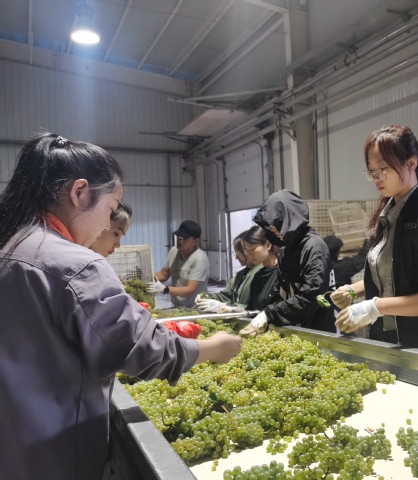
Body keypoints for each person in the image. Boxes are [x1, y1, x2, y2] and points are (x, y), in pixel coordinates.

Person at [0, 133, 242, 480]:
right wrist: (211, 349)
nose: (106, 225)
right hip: (56, 453)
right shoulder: (73, 264)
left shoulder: (13, 246)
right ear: (80, 193)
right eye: (111, 210)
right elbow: (138, 347)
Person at [331, 125, 418, 352]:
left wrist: (375, 307)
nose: (376, 178)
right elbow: (393, 274)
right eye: (371, 171)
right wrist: (353, 290)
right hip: (384, 337)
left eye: (383, 168)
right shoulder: (385, 217)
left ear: (411, 163)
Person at [239, 190, 335, 336]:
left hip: (318, 332)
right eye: (270, 228)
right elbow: (281, 292)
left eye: (276, 225)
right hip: (298, 331)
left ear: (289, 219)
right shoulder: (287, 250)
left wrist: (270, 314)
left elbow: (311, 297)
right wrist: (263, 314)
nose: (274, 231)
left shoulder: (313, 247)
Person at [195, 231, 262, 313]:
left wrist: (231, 308)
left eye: (238, 253)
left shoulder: (260, 273)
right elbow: (225, 296)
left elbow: (256, 307)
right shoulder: (240, 275)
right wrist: (207, 297)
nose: (236, 257)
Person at [148, 220, 210, 308]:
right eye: (179, 237)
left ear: (195, 241)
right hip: (177, 306)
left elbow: (190, 289)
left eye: (185, 238)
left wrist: (164, 289)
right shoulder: (174, 251)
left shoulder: (199, 258)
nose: (180, 241)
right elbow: (164, 274)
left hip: (196, 308)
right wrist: (145, 277)